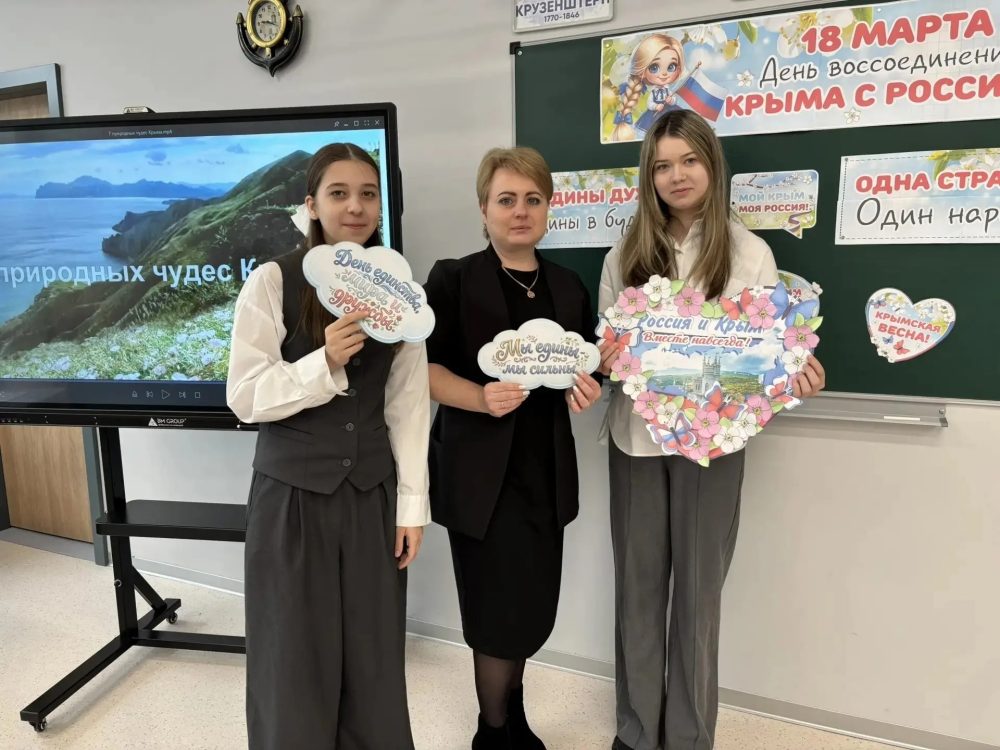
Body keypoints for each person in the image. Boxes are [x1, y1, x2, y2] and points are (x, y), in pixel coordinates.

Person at [597, 110, 826, 750]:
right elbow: (609, 348)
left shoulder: (751, 254)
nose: (677, 176)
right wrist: (607, 359)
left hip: (714, 448)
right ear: (649, 176)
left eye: (689, 160)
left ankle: (689, 737)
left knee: (698, 596)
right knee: (638, 593)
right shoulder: (625, 255)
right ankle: (637, 732)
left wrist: (793, 375)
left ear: (712, 164)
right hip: (636, 441)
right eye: (662, 165)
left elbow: (763, 362)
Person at [226, 142, 430, 750]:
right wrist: (323, 362)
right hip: (291, 499)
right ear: (312, 204)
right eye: (339, 193)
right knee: (292, 657)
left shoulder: (401, 296)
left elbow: (408, 405)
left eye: (368, 194)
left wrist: (411, 507)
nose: (355, 207)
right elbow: (244, 395)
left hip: (370, 494)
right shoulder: (273, 280)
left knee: (373, 658)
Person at [424, 147, 602, 750]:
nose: (520, 211)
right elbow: (421, 370)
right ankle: (492, 732)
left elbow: (586, 367)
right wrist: (480, 398)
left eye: (533, 199)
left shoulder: (568, 286)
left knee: (528, 609)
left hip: (543, 476)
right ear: (484, 209)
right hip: (480, 479)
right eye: (506, 200)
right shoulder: (453, 279)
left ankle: (514, 719)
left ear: (549, 208)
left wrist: (588, 388)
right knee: (494, 614)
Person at [612, 33, 685, 142]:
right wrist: (656, 106)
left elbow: (674, 99)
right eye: (654, 67)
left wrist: (671, 100)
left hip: (671, 113)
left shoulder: (667, 90)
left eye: (671, 67)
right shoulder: (653, 92)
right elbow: (650, 104)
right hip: (655, 115)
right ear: (642, 71)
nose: (664, 73)